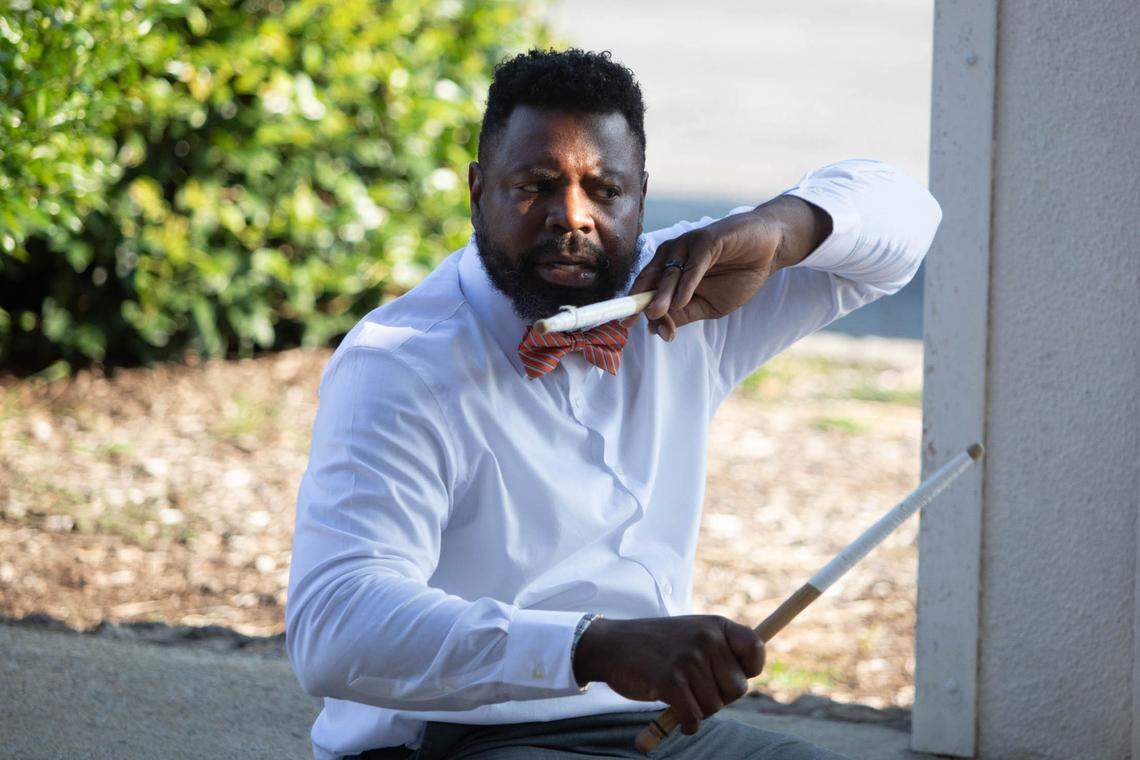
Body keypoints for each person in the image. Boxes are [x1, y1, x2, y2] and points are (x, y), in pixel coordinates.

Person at [286, 48, 941, 760]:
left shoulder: (685, 293)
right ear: (477, 190)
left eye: (605, 190)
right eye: (536, 185)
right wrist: (589, 646)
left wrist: (781, 230)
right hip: (451, 737)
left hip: (649, 733)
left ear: (642, 196)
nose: (574, 217)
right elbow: (334, 625)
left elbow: (908, 219)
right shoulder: (399, 363)